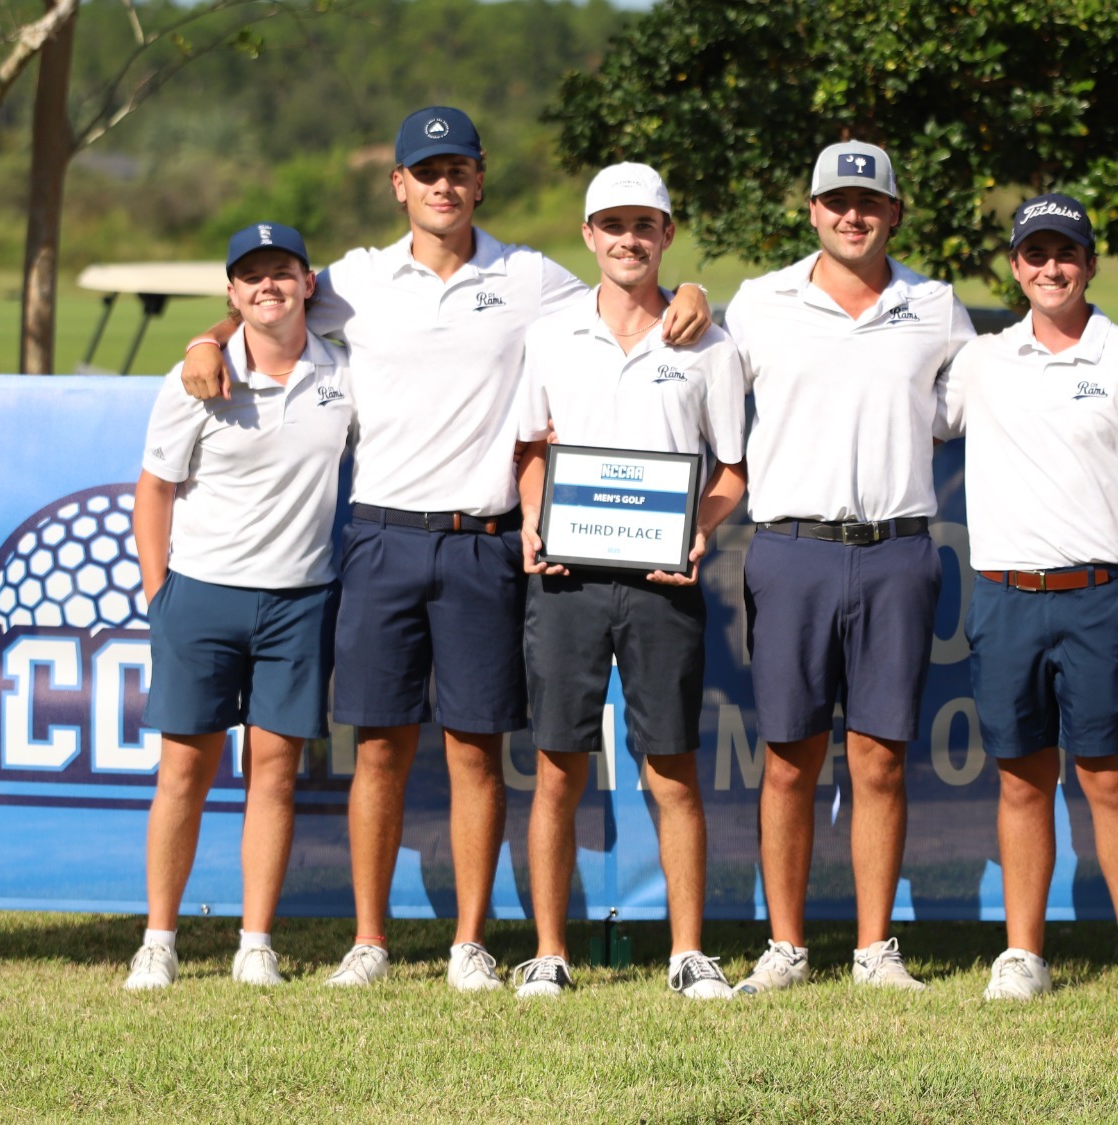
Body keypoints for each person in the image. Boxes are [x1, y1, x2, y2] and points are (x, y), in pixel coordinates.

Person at [174, 108, 711, 992]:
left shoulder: (531, 276)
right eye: (427, 172)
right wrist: (205, 337)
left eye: (458, 169)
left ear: (480, 177)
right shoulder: (354, 280)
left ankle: (469, 941)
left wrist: (692, 295)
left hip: (484, 541)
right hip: (382, 534)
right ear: (399, 184)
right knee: (379, 747)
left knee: (473, 747)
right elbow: (262, 296)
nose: (443, 185)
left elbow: (630, 294)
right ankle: (370, 941)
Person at [722, 141, 975, 994]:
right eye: (836, 200)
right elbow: (704, 396)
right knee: (789, 756)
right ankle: (786, 946)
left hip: (899, 550)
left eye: (869, 202)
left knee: (879, 757)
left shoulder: (936, 306)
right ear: (813, 211)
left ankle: (873, 949)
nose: (852, 214)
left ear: (895, 213)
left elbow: (971, 406)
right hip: (790, 549)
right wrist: (685, 295)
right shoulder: (760, 303)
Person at [938, 192, 1118, 1006]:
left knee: (1109, 778)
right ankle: (1023, 954)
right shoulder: (982, 359)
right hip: (1005, 597)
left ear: (1090, 263)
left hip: (1098, 597)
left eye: (1066, 253)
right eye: (1034, 254)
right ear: (1015, 267)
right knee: (1021, 779)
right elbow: (902, 399)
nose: (1050, 268)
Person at [507, 164, 749, 1001]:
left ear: (666, 234)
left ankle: (687, 952)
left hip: (662, 580)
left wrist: (697, 529)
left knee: (670, 769)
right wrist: (536, 517)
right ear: (588, 236)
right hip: (566, 579)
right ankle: (549, 952)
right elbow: (530, 446)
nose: (628, 240)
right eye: (612, 225)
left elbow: (734, 469)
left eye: (644, 225)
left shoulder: (707, 343)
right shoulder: (550, 334)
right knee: (557, 768)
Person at [123, 222, 351, 990]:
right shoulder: (195, 375)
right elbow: (153, 490)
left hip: (300, 597)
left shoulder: (343, 370)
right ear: (231, 291)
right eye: (250, 276)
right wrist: (161, 597)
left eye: (281, 271)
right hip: (202, 594)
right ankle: (159, 938)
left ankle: (256, 942)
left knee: (274, 774)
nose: (267, 286)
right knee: (183, 774)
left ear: (307, 282)